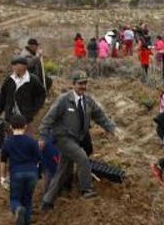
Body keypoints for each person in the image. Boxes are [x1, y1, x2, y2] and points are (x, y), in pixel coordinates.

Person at [39, 71, 116, 209]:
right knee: (82, 158)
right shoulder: (63, 100)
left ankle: (47, 201)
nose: (83, 86)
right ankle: (86, 189)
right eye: (80, 83)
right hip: (63, 138)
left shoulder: (88, 101)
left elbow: (99, 116)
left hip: (77, 139)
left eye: (85, 83)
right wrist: (43, 137)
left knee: (63, 170)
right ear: (73, 84)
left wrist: (110, 128)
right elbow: (48, 119)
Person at [0, 114, 41, 225]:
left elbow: (3, 162)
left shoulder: (7, 143)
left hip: (16, 173)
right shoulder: (32, 141)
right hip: (32, 173)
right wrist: (37, 173)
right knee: (27, 200)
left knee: (15, 199)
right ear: (25, 126)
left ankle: (17, 209)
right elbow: (39, 159)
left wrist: (3, 177)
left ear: (11, 127)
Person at [0, 57, 47, 126]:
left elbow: (41, 95)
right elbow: (2, 96)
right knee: (11, 136)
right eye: (13, 65)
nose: (15, 67)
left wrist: (34, 110)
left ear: (24, 66)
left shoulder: (32, 80)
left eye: (17, 65)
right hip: (10, 116)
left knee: (25, 135)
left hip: (26, 117)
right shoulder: (9, 79)